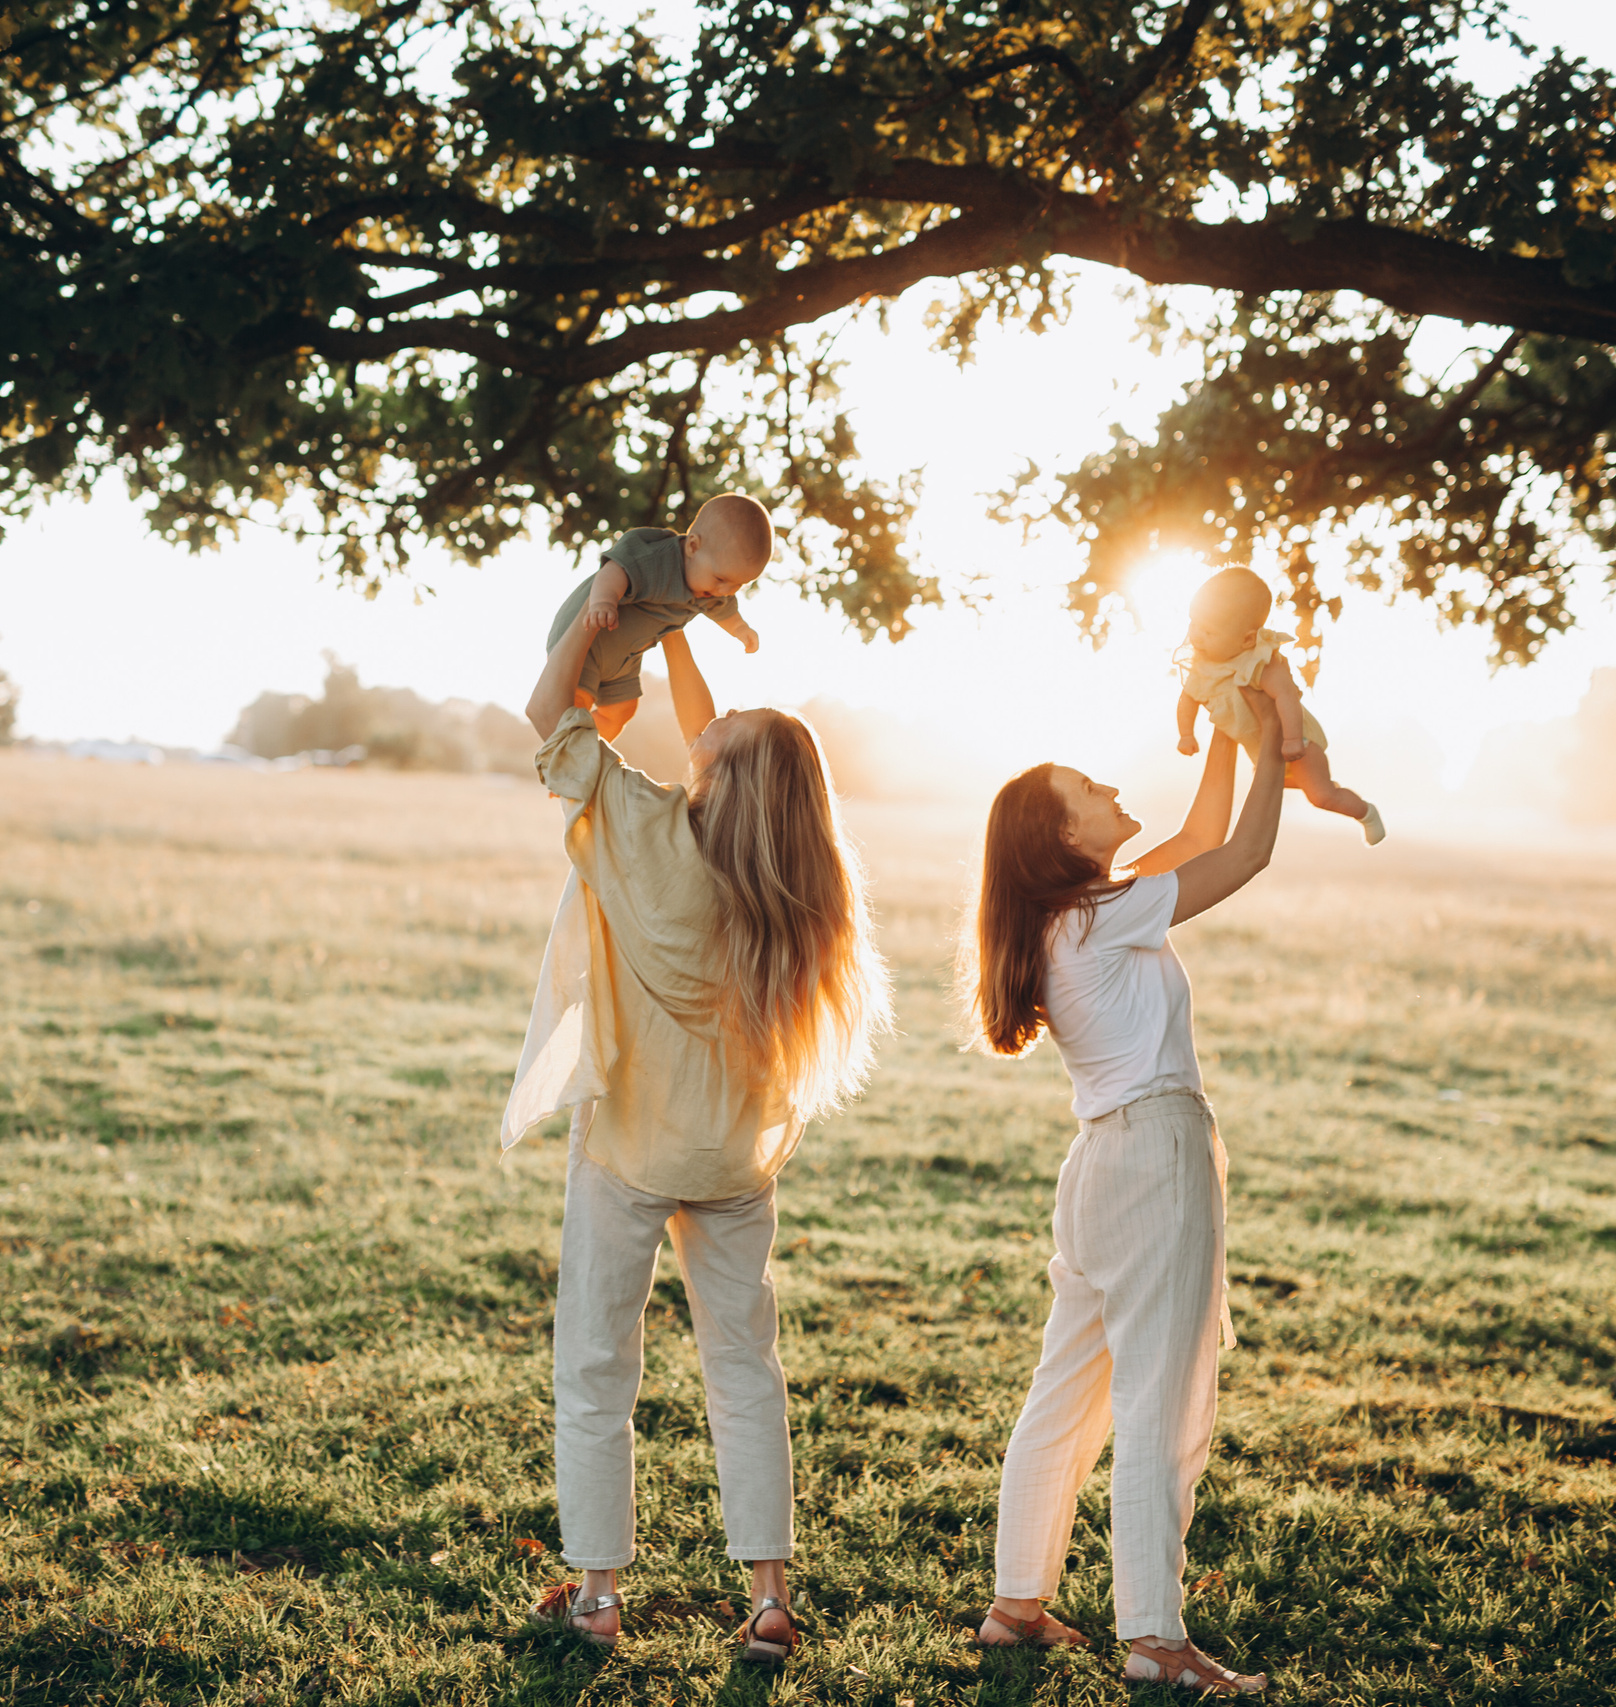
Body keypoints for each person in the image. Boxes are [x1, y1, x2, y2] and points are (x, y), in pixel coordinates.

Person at [504, 589, 891, 1664]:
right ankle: (768, 1596)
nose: (699, 726)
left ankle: (596, 1595)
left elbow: (549, 712)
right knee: (742, 1368)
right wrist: (676, 626)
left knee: (595, 1367)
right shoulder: (798, 883)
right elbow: (724, 735)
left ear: (722, 773)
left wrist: (592, 619)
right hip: (734, 1155)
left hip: (633, 1144)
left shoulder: (645, 831)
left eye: (712, 736)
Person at [959, 694, 1287, 1693]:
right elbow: (1241, 856)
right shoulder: (1101, 917)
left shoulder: (1077, 916)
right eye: (1089, 790)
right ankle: (1154, 1638)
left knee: (1066, 1390)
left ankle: (1017, 1605)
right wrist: (1273, 735)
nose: (1111, 788)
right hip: (1152, 1156)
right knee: (1162, 1400)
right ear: (1062, 834)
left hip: (1103, 1162)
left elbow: (1195, 836)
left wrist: (1230, 730)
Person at [1172, 566, 1384, 846]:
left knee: (1321, 796)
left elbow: (1287, 698)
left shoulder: (1261, 660)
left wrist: (1294, 739)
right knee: (1273, 786)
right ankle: (1302, 780)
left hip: (1298, 744)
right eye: (1193, 623)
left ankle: (1367, 813)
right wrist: (1186, 733)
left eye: (1208, 631)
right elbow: (1187, 700)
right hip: (1262, 749)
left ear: (1247, 638)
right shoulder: (1202, 664)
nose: (1196, 636)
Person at [545, 494, 772, 742]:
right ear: (693, 546)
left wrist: (741, 629)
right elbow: (615, 570)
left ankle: (590, 753)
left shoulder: (711, 587)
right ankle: (568, 747)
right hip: (592, 637)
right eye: (721, 579)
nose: (725, 591)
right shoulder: (658, 560)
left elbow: (726, 610)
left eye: (739, 584)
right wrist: (603, 602)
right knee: (575, 703)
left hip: (623, 658)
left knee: (622, 710)